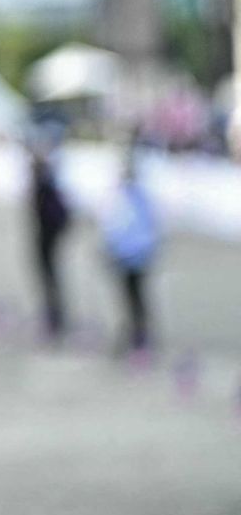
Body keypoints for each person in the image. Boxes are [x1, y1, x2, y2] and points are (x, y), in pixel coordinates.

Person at [100, 146, 161, 357]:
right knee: (127, 299)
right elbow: (112, 228)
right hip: (125, 257)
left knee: (137, 299)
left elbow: (145, 228)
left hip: (136, 257)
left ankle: (141, 339)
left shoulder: (137, 198)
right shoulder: (120, 196)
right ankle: (133, 336)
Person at [27, 129, 71, 339]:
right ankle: (54, 316)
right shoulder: (48, 184)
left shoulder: (45, 187)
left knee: (49, 278)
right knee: (50, 278)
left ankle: (55, 318)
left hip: (47, 238)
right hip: (47, 238)